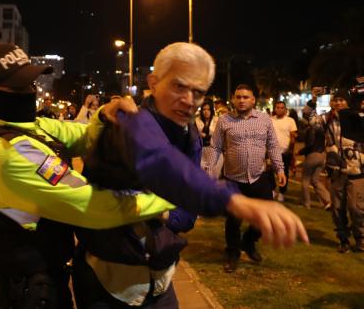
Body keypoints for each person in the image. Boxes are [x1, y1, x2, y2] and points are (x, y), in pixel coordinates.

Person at [73, 42, 308, 308]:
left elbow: (186, 216)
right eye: (179, 86)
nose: (189, 100)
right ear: (154, 81)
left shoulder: (189, 135)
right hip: (109, 284)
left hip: (159, 280)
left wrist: (161, 212)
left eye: (198, 92)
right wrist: (233, 201)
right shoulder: (127, 121)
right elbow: (161, 161)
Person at [0, 43, 177, 308]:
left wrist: (106, 115)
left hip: (43, 284)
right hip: (23, 294)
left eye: (31, 82)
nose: (29, 91)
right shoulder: (6, 153)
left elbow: (82, 135)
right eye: (18, 87)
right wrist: (167, 197)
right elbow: (92, 204)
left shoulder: (29, 127)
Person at [204, 84, 287, 273]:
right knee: (233, 220)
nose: (241, 100)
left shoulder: (264, 119)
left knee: (265, 216)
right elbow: (215, 147)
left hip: (259, 177)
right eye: (238, 97)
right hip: (233, 179)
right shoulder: (225, 120)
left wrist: (280, 169)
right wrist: (208, 170)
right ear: (233, 99)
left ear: (253, 100)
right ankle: (232, 253)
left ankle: (249, 241)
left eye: (246, 97)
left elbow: (273, 145)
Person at [320, 90, 364, 253]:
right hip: (336, 170)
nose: (338, 103)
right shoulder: (327, 119)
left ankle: (360, 238)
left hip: (357, 170)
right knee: (337, 209)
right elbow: (310, 119)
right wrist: (313, 101)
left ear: (347, 102)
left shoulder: (356, 117)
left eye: (341, 100)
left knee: (357, 208)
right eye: (335, 100)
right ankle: (343, 239)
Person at [298, 112, 331, 209]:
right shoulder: (323, 129)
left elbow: (310, 144)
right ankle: (328, 200)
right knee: (315, 180)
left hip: (313, 155)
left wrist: (300, 152)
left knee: (305, 180)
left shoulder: (312, 129)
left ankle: (306, 203)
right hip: (322, 155)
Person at [271, 101, 297, 202]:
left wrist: (290, 150)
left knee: (283, 173)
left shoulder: (290, 121)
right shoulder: (270, 120)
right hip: (272, 151)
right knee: (269, 172)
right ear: (275, 108)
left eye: (282, 107)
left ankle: (282, 192)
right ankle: (272, 190)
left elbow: (293, 137)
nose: (279, 109)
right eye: (277, 107)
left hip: (285, 151)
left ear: (285, 109)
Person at [195, 100, 221, 177]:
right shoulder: (197, 121)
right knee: (202, 175)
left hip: (214, 151)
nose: (206, 112)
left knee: (213, 175)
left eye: (208, 109)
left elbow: (219, 136)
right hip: (201, 150)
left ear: (211, 110)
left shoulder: (217, 120)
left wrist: (203, 135)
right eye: (204, 109)